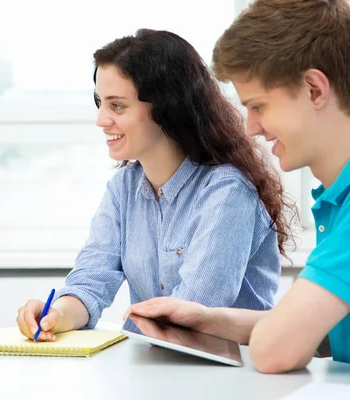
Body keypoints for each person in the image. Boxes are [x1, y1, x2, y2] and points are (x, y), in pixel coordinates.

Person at [128, 0, 350, 375]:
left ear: (314, 89)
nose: (250, 128)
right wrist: (208, 319)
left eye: (258, 106)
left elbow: (276, 351)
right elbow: (329, 334)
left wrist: (274, 334)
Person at [17, 29, 294, 341]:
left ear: (166, 108)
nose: (101, 120)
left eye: (117, 105)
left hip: (221, 375)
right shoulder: (123, 188)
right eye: (99, 103)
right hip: (158, 366)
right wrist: (58, 314)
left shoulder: (227, 191)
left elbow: (193, 311)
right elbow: (91, 281)